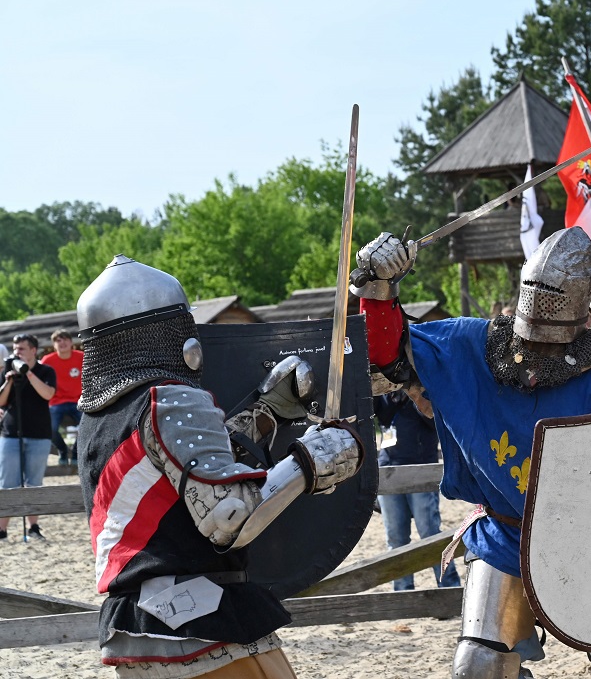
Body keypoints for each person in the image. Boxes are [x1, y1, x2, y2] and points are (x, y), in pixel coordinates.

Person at [351, 227, 591, 679]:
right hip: (504, 537)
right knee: (477, 667)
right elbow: (389, 356)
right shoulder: (473, 346)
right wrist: (377, 289)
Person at [74, 255, 363, 678]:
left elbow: (177, 480)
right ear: (167, 330)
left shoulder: (96, 423)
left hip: (133, 629)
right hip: (201, 625)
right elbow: (228, 516)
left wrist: (267, 413)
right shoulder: (169, 399)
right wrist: (311, 461)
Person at [374, 390, 461, 590]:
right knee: (396, 539)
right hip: (389, 471)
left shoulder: (425, 388)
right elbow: (369, 411)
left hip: (421, 470)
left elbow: (435, 422)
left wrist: (412, 394)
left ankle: (450, 587)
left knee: (430, 534)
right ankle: (402, 592)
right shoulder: (385, 392)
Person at [0, 334, 57, 541]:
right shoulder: (8, 369)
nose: (17, 353)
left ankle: (33, 527)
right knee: (7, 483)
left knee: (34, 483)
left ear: (33, 350)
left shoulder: (46, 371)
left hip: (39, 434)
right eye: (15, 349)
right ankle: (2, 530)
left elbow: (48, 394)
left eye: (22, 349)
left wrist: (29, 373)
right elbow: (1, 401)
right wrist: (8, 382)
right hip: (10, 433)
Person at [40, 329, 84, 466]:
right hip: (56, 402)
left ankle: (76, 453)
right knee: (49, 428)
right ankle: (63, 451)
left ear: (71, 342)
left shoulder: (82, 357)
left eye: (65, 339)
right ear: (54, 345)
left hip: (80, 401)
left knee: (88, 425)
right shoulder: (47, 361)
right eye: (58, 340)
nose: (62, 343)